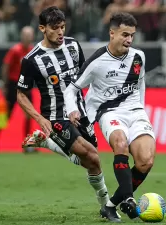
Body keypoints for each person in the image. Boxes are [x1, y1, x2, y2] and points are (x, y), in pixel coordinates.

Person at [16, 6, 112, 217]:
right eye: (55, 28)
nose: (60, 32)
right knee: (93, 157)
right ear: (42, 28)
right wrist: (39, 118)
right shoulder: (32, 60)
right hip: (55, 117)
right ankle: (107, 206)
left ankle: (47, 142)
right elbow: (21, 95)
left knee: (88, 160)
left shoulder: (73, 46)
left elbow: (84, 75)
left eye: (62, 27)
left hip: (79, 112)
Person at [64, 12, 156, 222]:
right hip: (109, 113)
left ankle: (111, 205)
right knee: (120, 144)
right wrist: (72, 110)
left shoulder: (138, 57)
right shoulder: (97, 61)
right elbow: (72, 89)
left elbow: (140, 84)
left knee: (146, 161)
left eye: (132, 35)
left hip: (135, 111)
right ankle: (130, 199)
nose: (129, 40)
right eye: (125, 34)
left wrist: (141, 109)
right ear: (112, 33)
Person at [0, 26, 35, 153]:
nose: (27, 38)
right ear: (22, 36)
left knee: (29, 114)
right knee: (6, 115)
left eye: (29, 35)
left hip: (26, 86)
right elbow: (5, 67)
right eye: (25, 35)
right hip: (13, 85)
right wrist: (4, 84)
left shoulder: (32, 51)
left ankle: (27, 145)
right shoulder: (15, 50)